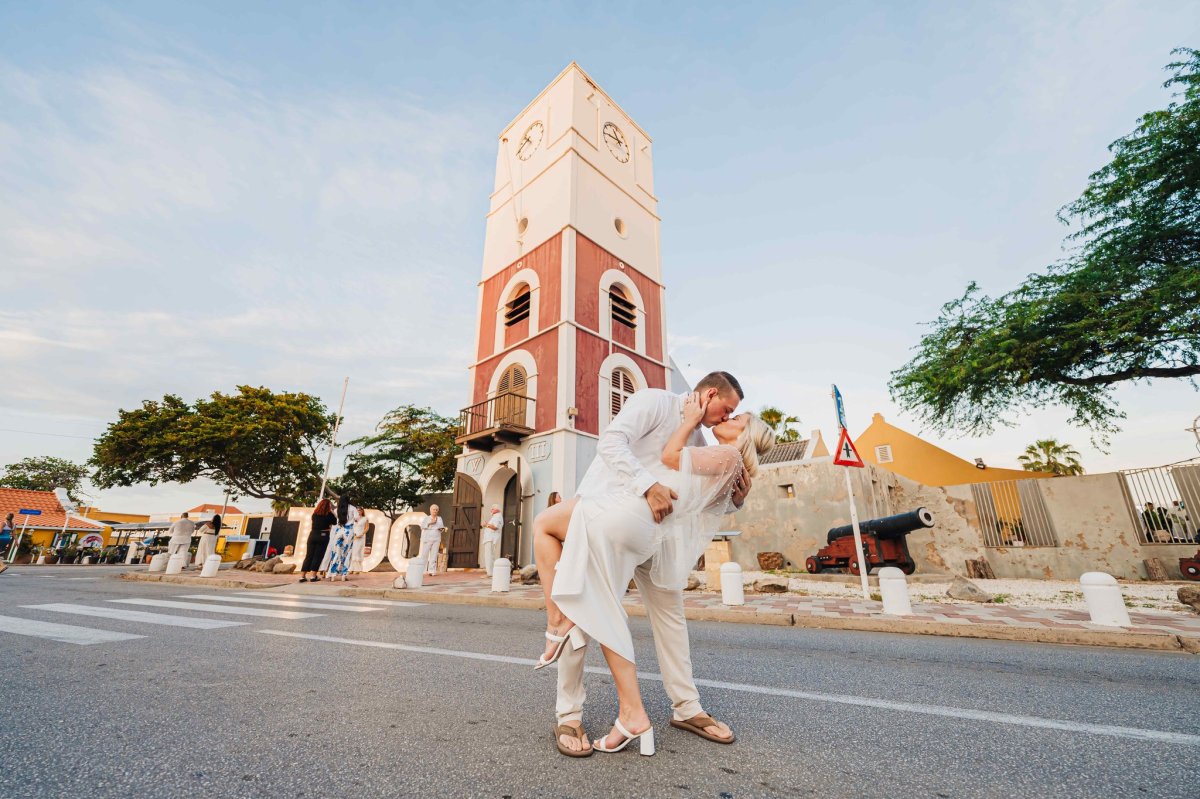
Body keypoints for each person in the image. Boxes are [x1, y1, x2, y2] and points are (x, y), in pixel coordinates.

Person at [533, 372, 768, 757]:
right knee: (587, 609)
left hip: (659, 537)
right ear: (710, 394)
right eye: (726, 409)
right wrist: (647, 485)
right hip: (611, 513)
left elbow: (699, 496)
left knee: (671, 619)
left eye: (733, 416)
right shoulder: (655, 401)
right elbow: (611, 443)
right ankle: (569, 714)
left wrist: (737, 499)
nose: (725, 417)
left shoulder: (700, 439)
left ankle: (687, 707)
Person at [299, 499, 336, 583]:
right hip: (323, 535)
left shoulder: (315, 514)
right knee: (318, 556)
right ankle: (313, 576)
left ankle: (302, 576)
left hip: (313, 535)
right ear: (328, 506)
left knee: (309, 556)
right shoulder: (329, 514)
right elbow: (335, 522)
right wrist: (332, 512)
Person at [326, 495, 359, 581]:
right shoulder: (353, 508)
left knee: (336, 552)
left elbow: (337, 520)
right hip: (349, 532)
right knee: (347, 553)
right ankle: (343, 575)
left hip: (339, 531)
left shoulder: (337, 509)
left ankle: (332, 575)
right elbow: (357, 519)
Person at [418, 505, 447, 576]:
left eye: (436, 510)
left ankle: (432, 571)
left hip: (436, 538)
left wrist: (442, 529)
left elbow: (441, 527)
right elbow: (422, 526)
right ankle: (423, 570)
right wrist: (430, 523)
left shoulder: (439, 518)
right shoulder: (427, 518)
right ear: (430, 510)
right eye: (434, 509)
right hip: (427, 538)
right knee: (424, 554)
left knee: (434, 555)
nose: (435, 511)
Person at [481, 504, 503, 576]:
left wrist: (486, 525)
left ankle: (490, 573)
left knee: (489, 556)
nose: (491, 510)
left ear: (497, 510)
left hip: (491, 539)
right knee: (489, 555)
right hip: (489, 538)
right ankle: (491, 572)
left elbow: (495, 527)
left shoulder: (497, 516)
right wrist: (487, 525)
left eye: (492, 509)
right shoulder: (495, 516)